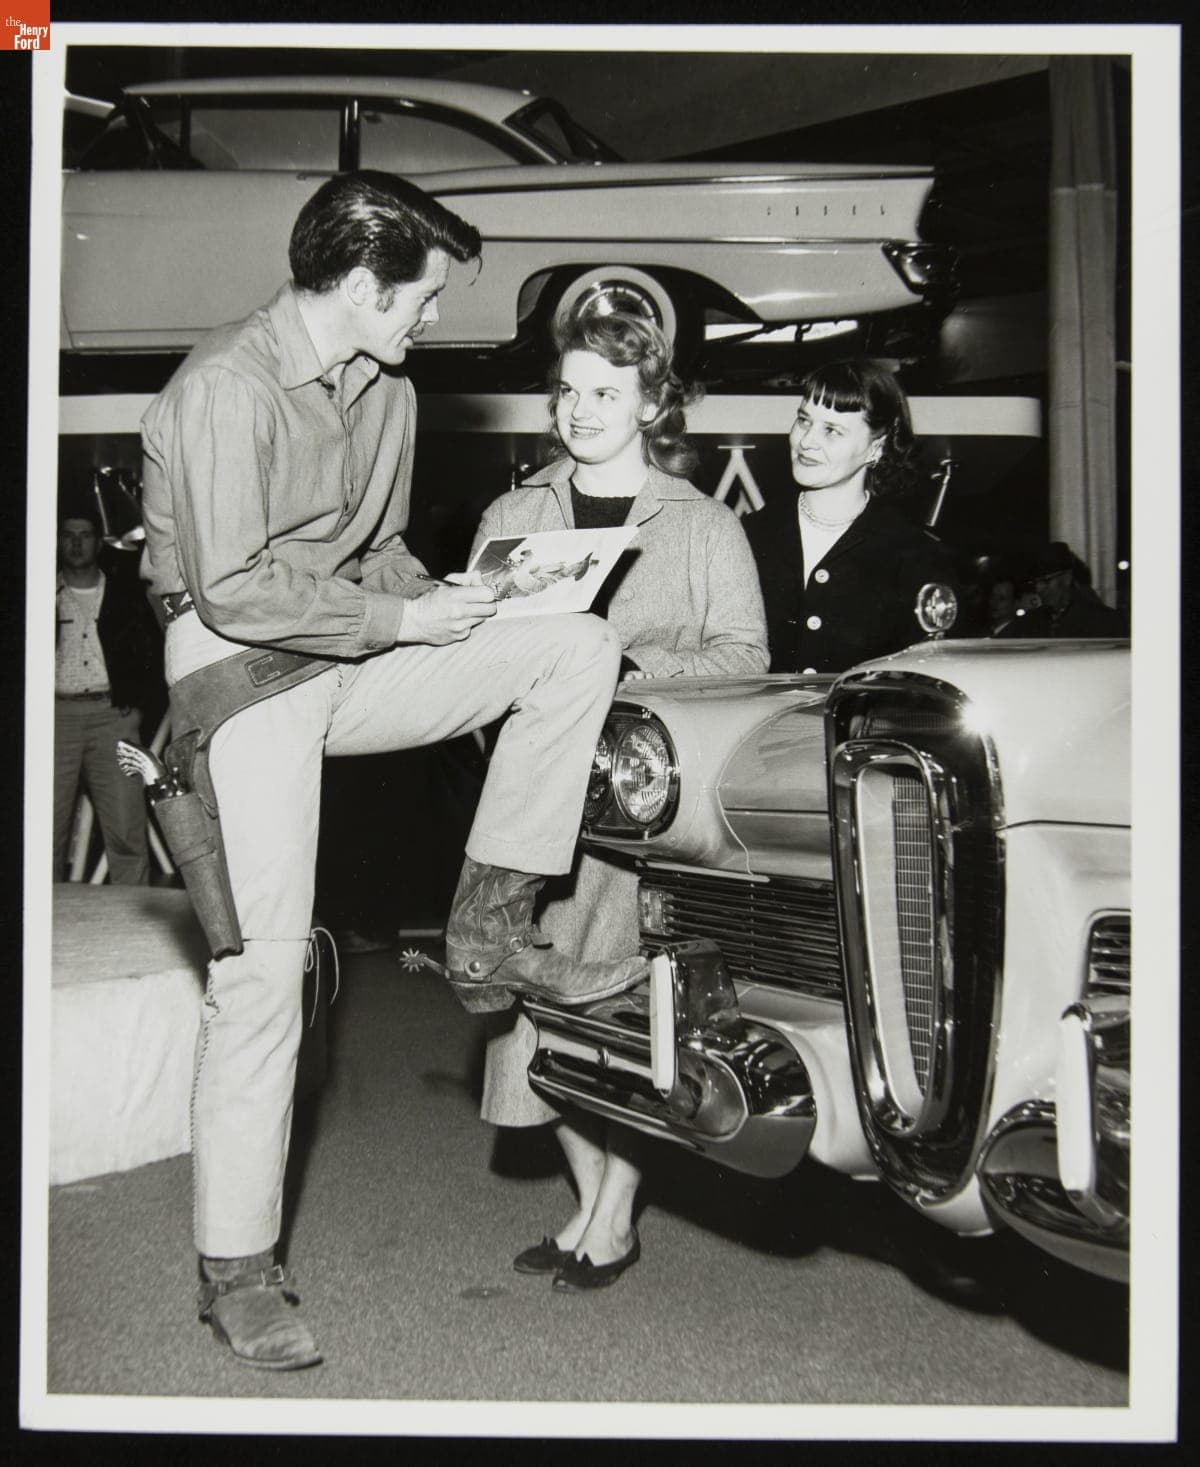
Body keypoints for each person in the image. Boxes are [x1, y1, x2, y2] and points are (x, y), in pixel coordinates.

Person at [138, 172, 647, 1371]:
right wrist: (405, 625)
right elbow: (241, 592)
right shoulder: (226, 388)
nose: (430, 323)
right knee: (263, 979)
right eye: (422, 300)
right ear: (364, 287)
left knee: (575, 644)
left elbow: (374, 554)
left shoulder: (390, 394)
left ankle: (491, 919)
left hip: (347, 647)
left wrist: (458, 595)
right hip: (240, 667)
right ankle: (237, 1269)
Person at [473, 307, 768, 1292]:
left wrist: (627, 664)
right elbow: (465, 656)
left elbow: (745, 659)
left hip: (644, 813)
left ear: (653, 402)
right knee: (532, 998)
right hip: (529, 799)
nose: (583, 409)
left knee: (629, 1010)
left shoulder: (702, 523)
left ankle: (607, 1218)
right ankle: (599, 1202)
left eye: (608, 391)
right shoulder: (513, 519)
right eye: (569, 389)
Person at [743, 357, 957, 674]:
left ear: (876, 448)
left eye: (832, 430)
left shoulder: (914, 557)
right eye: (804, 420)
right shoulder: (745, 536)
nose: (806, 441)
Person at [54, 501, 165, 884]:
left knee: (127, 832)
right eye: (68, 535)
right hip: (55, 720)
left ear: (98, 543)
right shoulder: (39, 595)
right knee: (46, 833)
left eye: (85, 535)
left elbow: (151, 657)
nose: (76, 543)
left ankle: (130, 926)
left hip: (111, 718)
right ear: (57, 541)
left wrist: (134, 709)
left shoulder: (124, 595)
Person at [998, 540, 1129, 638]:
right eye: (1036, 582)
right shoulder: (1029, 622)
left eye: (1046, 581)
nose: (1038, 589)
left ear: (1067, 578)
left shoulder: (1104, 621)